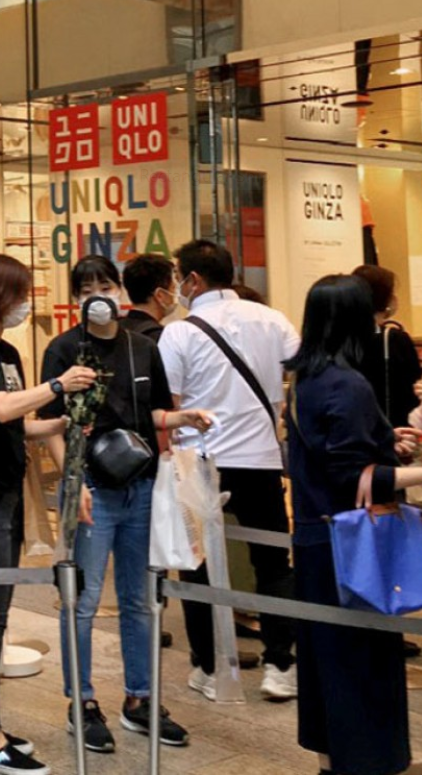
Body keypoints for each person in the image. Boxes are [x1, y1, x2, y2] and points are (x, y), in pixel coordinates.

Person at [40, 256, 210, 753]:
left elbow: (152, 410)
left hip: (141, 487)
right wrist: (74, 485)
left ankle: (140, 699)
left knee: (139, 598)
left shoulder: (142, 348)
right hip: (92, 487)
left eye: (105, 284)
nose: (98, 294)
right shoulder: (64, 350)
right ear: (75, 297)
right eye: (87, 286)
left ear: (118, 290)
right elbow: (52, 423)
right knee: (85, 600)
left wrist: (184, 418)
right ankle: (83, 703)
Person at [284, 273, 422, 775]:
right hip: (351, 543)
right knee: (362, 666)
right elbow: (355, 476)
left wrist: (385, 441)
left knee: (327, 666)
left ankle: (332, 763)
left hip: (316, 536)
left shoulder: (306, 379)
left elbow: (338, 460)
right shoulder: (348, 383)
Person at [0, 253, 97, 775]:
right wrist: (58, 386)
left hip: (7, 492)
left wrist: (59, 425)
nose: (24, 303)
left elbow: (17, 425)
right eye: (20, 293)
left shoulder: (6, 350)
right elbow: (2, 409)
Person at [158, 239, 300, 701]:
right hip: (260, 458)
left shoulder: (179, 333)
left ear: (193, 280)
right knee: (273, 562)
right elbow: (298, 372)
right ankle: (281, 666)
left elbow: (171, 405)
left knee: (198, 567)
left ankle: (208, 667)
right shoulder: (273, 319)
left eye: (179, 275)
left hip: (199, 460)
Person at [351, 265, 422, 427]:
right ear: (386, 299)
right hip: (393, 427)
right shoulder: (395, 339)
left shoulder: (339, 337)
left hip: (354, 424)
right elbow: (412, 388)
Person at [119, 253, 177, 342]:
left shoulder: (115, 330)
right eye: (173, 288)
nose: (176, 294)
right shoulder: (161, 337)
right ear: (160, 295)